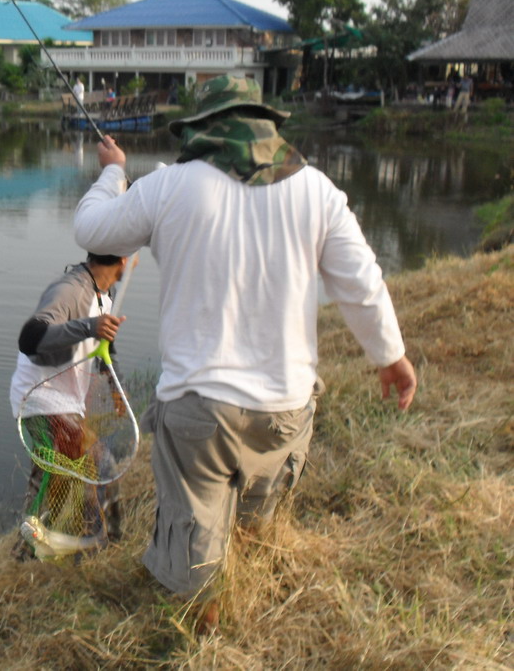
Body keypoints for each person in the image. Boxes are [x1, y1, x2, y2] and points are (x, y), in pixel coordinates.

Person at [72, 76, 417, 626]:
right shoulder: (317, 190)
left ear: (203, 130)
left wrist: (114, 171)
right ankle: (243, 572)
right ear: (268, 126)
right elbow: (362, 283)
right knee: (254, 518)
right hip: (284, 407)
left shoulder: (169, 187)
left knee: (198, 541)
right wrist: (391, 357)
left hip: (197, 410)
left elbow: (89, 227)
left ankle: (204, 623)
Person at [9, 253, 129, 561]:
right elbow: (30, 338)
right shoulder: (70, 290)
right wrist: (89, 326)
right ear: (124, 260)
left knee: (71, 473)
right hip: (40, 398)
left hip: (67, 400)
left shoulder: (105, 295)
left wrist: (114, 384)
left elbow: (105, 343)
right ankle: (92, 548)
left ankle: (107, 541)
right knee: (89, 471)